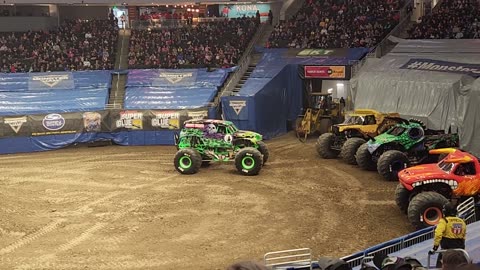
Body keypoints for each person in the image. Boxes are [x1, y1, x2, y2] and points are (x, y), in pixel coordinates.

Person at [429, 202, 467, 268]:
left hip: (446, 251)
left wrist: (435, 247)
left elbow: (438, 233)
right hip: (459, 251)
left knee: (439, 267)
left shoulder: (444, 221)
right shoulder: (462, 221)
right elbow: (463, 235)